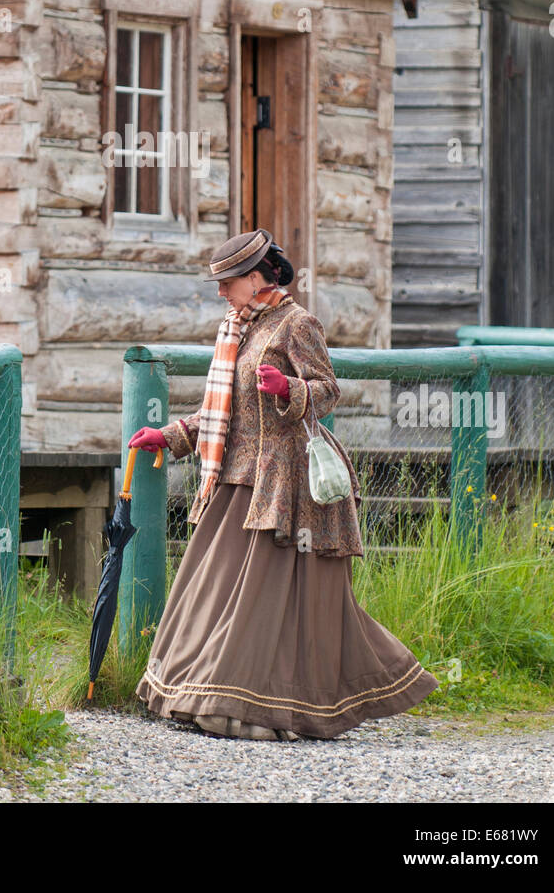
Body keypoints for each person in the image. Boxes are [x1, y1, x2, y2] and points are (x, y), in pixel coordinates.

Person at [130, 228, 439, 741]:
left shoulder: (297, 324)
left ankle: (245, 704)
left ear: (254, 279)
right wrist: (167, 436)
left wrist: (290, 388)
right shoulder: (236, 330)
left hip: (285, 483)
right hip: (236, 479)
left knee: (267, 598)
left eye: (227, 283)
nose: (222, 294)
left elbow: (327, 391)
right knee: (216, 588)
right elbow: (219, 413)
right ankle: (201, 692)